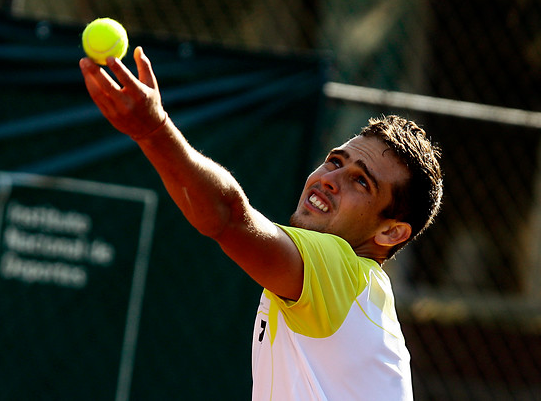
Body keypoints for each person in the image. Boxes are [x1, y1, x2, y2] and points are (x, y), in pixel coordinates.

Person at [79, 47, 443, 401]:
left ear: (390, 232)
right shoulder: (343, 294)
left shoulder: (344, 276)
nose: (331, 179)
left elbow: (229, 218)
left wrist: (155, 130)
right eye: (335, 161)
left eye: (361, 181)